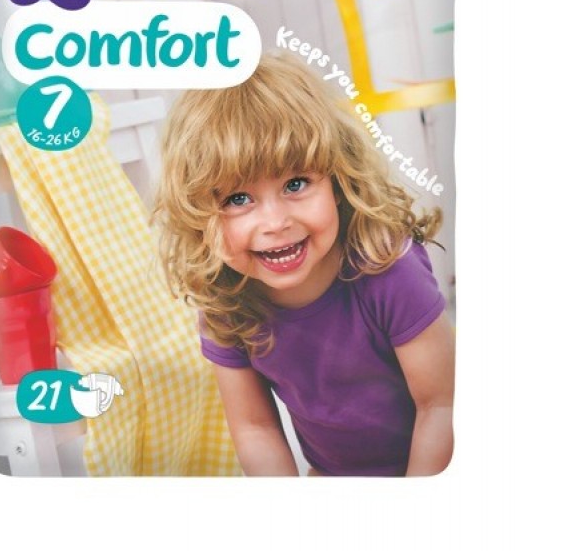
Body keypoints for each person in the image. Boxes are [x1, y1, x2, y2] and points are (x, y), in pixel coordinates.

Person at [154, 54, 454, 476]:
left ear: (338, 180)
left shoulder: (388, 268)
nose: (275, 222)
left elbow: (441, 406)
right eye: (238, 199)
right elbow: (255, 430)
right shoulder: (226, 302)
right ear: (198, 217)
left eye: (296, 184)